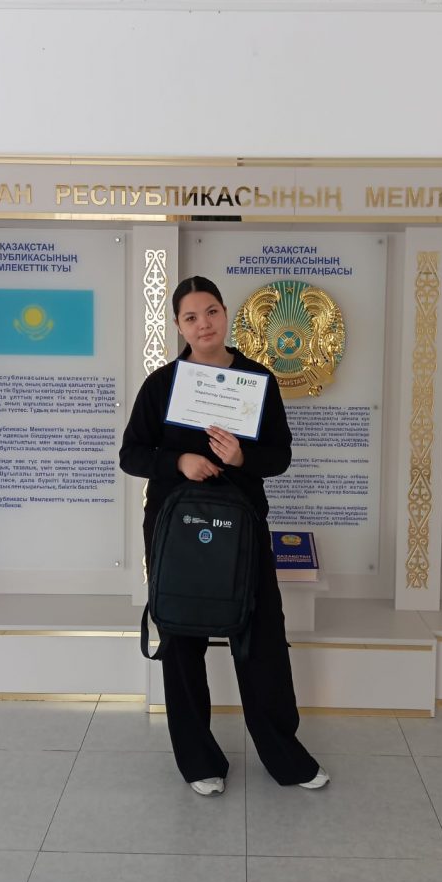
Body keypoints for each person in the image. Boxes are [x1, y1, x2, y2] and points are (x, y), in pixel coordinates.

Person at [120, 275, 329, 795]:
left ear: (225, 313)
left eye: (211, 311)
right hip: (176, 533)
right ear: (178, 326)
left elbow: (279, 456)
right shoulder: (162, 384)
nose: (204, 324)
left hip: (242, 530)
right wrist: (179, 462)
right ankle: (199, 761)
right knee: (181, 641)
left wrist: (241, 457)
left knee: (261, 639)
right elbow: (131, 454)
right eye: (191, 317)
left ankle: (285, 758)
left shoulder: (257, 379)